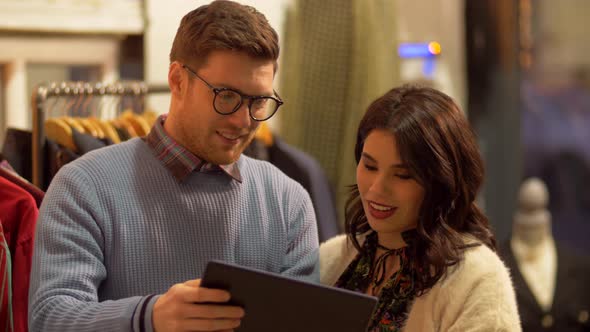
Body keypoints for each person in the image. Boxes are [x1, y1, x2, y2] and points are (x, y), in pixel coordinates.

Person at [28, 1, 319, 331]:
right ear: (178, 80)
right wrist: (149, 317)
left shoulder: (288, 201)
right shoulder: (84, 186)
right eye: (226, 97)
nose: (244, 120)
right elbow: (49, 318)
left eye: (259, 101)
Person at [320, 85, 521, 331]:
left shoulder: (477, 278)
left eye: (403, 175)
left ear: (441, 182)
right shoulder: (331, 258)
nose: (376, 189)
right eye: (370, 167)